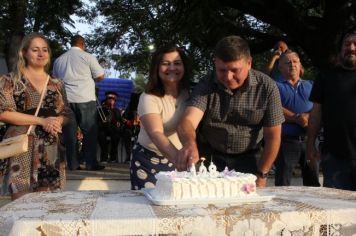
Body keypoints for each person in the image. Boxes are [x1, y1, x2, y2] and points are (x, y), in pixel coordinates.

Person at [177, 36, 284, 187]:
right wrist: (189, 144)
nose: (228, 77)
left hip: (249, 159)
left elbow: (273, 136)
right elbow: (187, 122)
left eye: (235, 70)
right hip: (210, 157)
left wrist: (262, 174)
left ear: (249, 63)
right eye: (222, 70)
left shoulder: (267, 87)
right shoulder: (206, 83)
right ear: (215, 63)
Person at [0, 33, 72, 200]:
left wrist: (57, 121)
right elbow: (3, 112)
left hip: (50, 145)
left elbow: (66, 112)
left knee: (45, 202)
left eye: (45, 50)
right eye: (35, 50)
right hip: (22, 145)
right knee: (20, 199)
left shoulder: (57, 83)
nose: (41, 54)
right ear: (24, 53)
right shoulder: (10, 80)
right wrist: (41, 121)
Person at [130, 44, 191, 190]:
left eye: (177, 63)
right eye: (165, 64)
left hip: (178, 160)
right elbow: (156, 133)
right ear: (156, 68)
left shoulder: (188, 94)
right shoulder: (148, 97)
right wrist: (179, 160)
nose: (172, 68)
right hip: (148, 162)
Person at [307, 28, 356, 191]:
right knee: (336, 209)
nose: (352, 48)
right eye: (347, 44)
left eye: (355, 44)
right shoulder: (325, 76)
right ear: (341, 49)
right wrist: (310, 145)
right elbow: (315, 115)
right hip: (335, 157)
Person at [53, 35, 105, 171]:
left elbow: (55, 81)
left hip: (66, 101)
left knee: (69, 134)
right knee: (90, 132)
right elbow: (100, 76)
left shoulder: (59, 60)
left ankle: (73, 164)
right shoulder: (88, 57)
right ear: (83, 44)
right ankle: (90, 163)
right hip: (85, 98)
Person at [274, 50, 320, 186]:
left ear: (300, 65)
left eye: (295, 61)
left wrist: (308, 116)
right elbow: (273, 108)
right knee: (283, 183)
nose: (292, 64)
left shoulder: (311, 85)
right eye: (287, 62)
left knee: (313, 184)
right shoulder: (274, 86)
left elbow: (320, 107)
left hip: (310, 141)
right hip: (286, 142)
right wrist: (297, 118)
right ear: (280, 67)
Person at [97, 91, 123, 163]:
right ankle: (104, 157)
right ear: (106, 99)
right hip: (103, 128)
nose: (111, 101)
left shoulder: (116, 110)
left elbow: (120, 121)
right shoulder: (101, 109)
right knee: (101, 135)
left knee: (116, 136)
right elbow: (97, 121)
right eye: (109, 99)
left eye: (113, 99)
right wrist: (102, 123)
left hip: (113, 129)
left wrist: (119, 123)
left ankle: (113, 157)